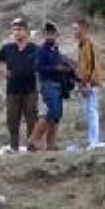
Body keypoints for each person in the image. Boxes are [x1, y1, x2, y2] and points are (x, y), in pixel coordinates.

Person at [0, 18, 38, 153]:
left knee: (31, 118)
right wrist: (2, 73)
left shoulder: (34, 49)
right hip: (12, 89)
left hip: (30, 89)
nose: (16, 33)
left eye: (19, 30)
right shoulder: (8, 49)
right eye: (14, 30)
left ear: (27, 32)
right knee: (12, 119)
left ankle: (32, 146)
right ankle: (14, 146)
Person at [32, 22, 74, 152]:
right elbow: (38, 68)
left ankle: (51, 144)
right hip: (48, 84)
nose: (50, 36)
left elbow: (65, 67)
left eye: (52, 33)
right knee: (53, 111)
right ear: (44, 35)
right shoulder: (41, 51)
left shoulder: (56, 51)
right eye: (48, 33)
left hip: (59, 85)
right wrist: (55, 68)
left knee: (57, 114)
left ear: (56, 34)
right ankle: (34, 140)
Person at [73, 20, 105, 148]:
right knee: (88, 112)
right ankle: (92, 140)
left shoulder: (90, 45)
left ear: (84, 29)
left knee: (92, 111)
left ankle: (94, 141)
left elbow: (93, 66)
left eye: (76, 29)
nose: (74, 32)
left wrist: (88, 83)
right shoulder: (81, 46)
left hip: (91, 84)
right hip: (85, 83)